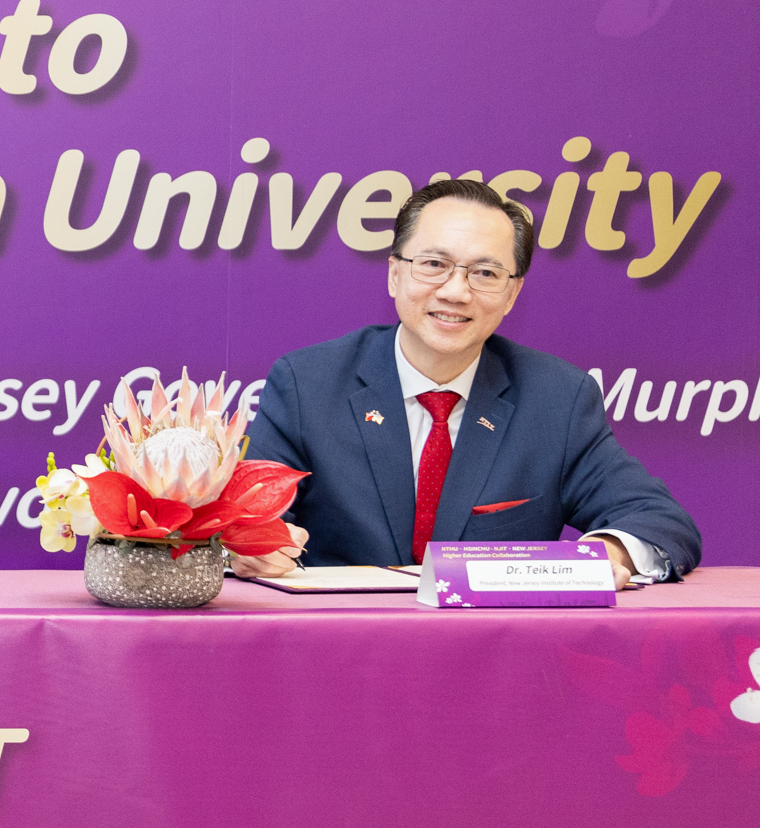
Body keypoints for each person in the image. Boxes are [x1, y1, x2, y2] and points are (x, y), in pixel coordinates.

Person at [238, 178, 699, 588]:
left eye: (484, 273)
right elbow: (242, 522)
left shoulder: (556, 399)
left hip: (494, 657)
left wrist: (601, 558)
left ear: (512, 293)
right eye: (434, 264)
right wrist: (254, 544)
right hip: (339, 649)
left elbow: (660, 521)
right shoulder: (308, 385)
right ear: (395, 273)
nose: (456, 291)